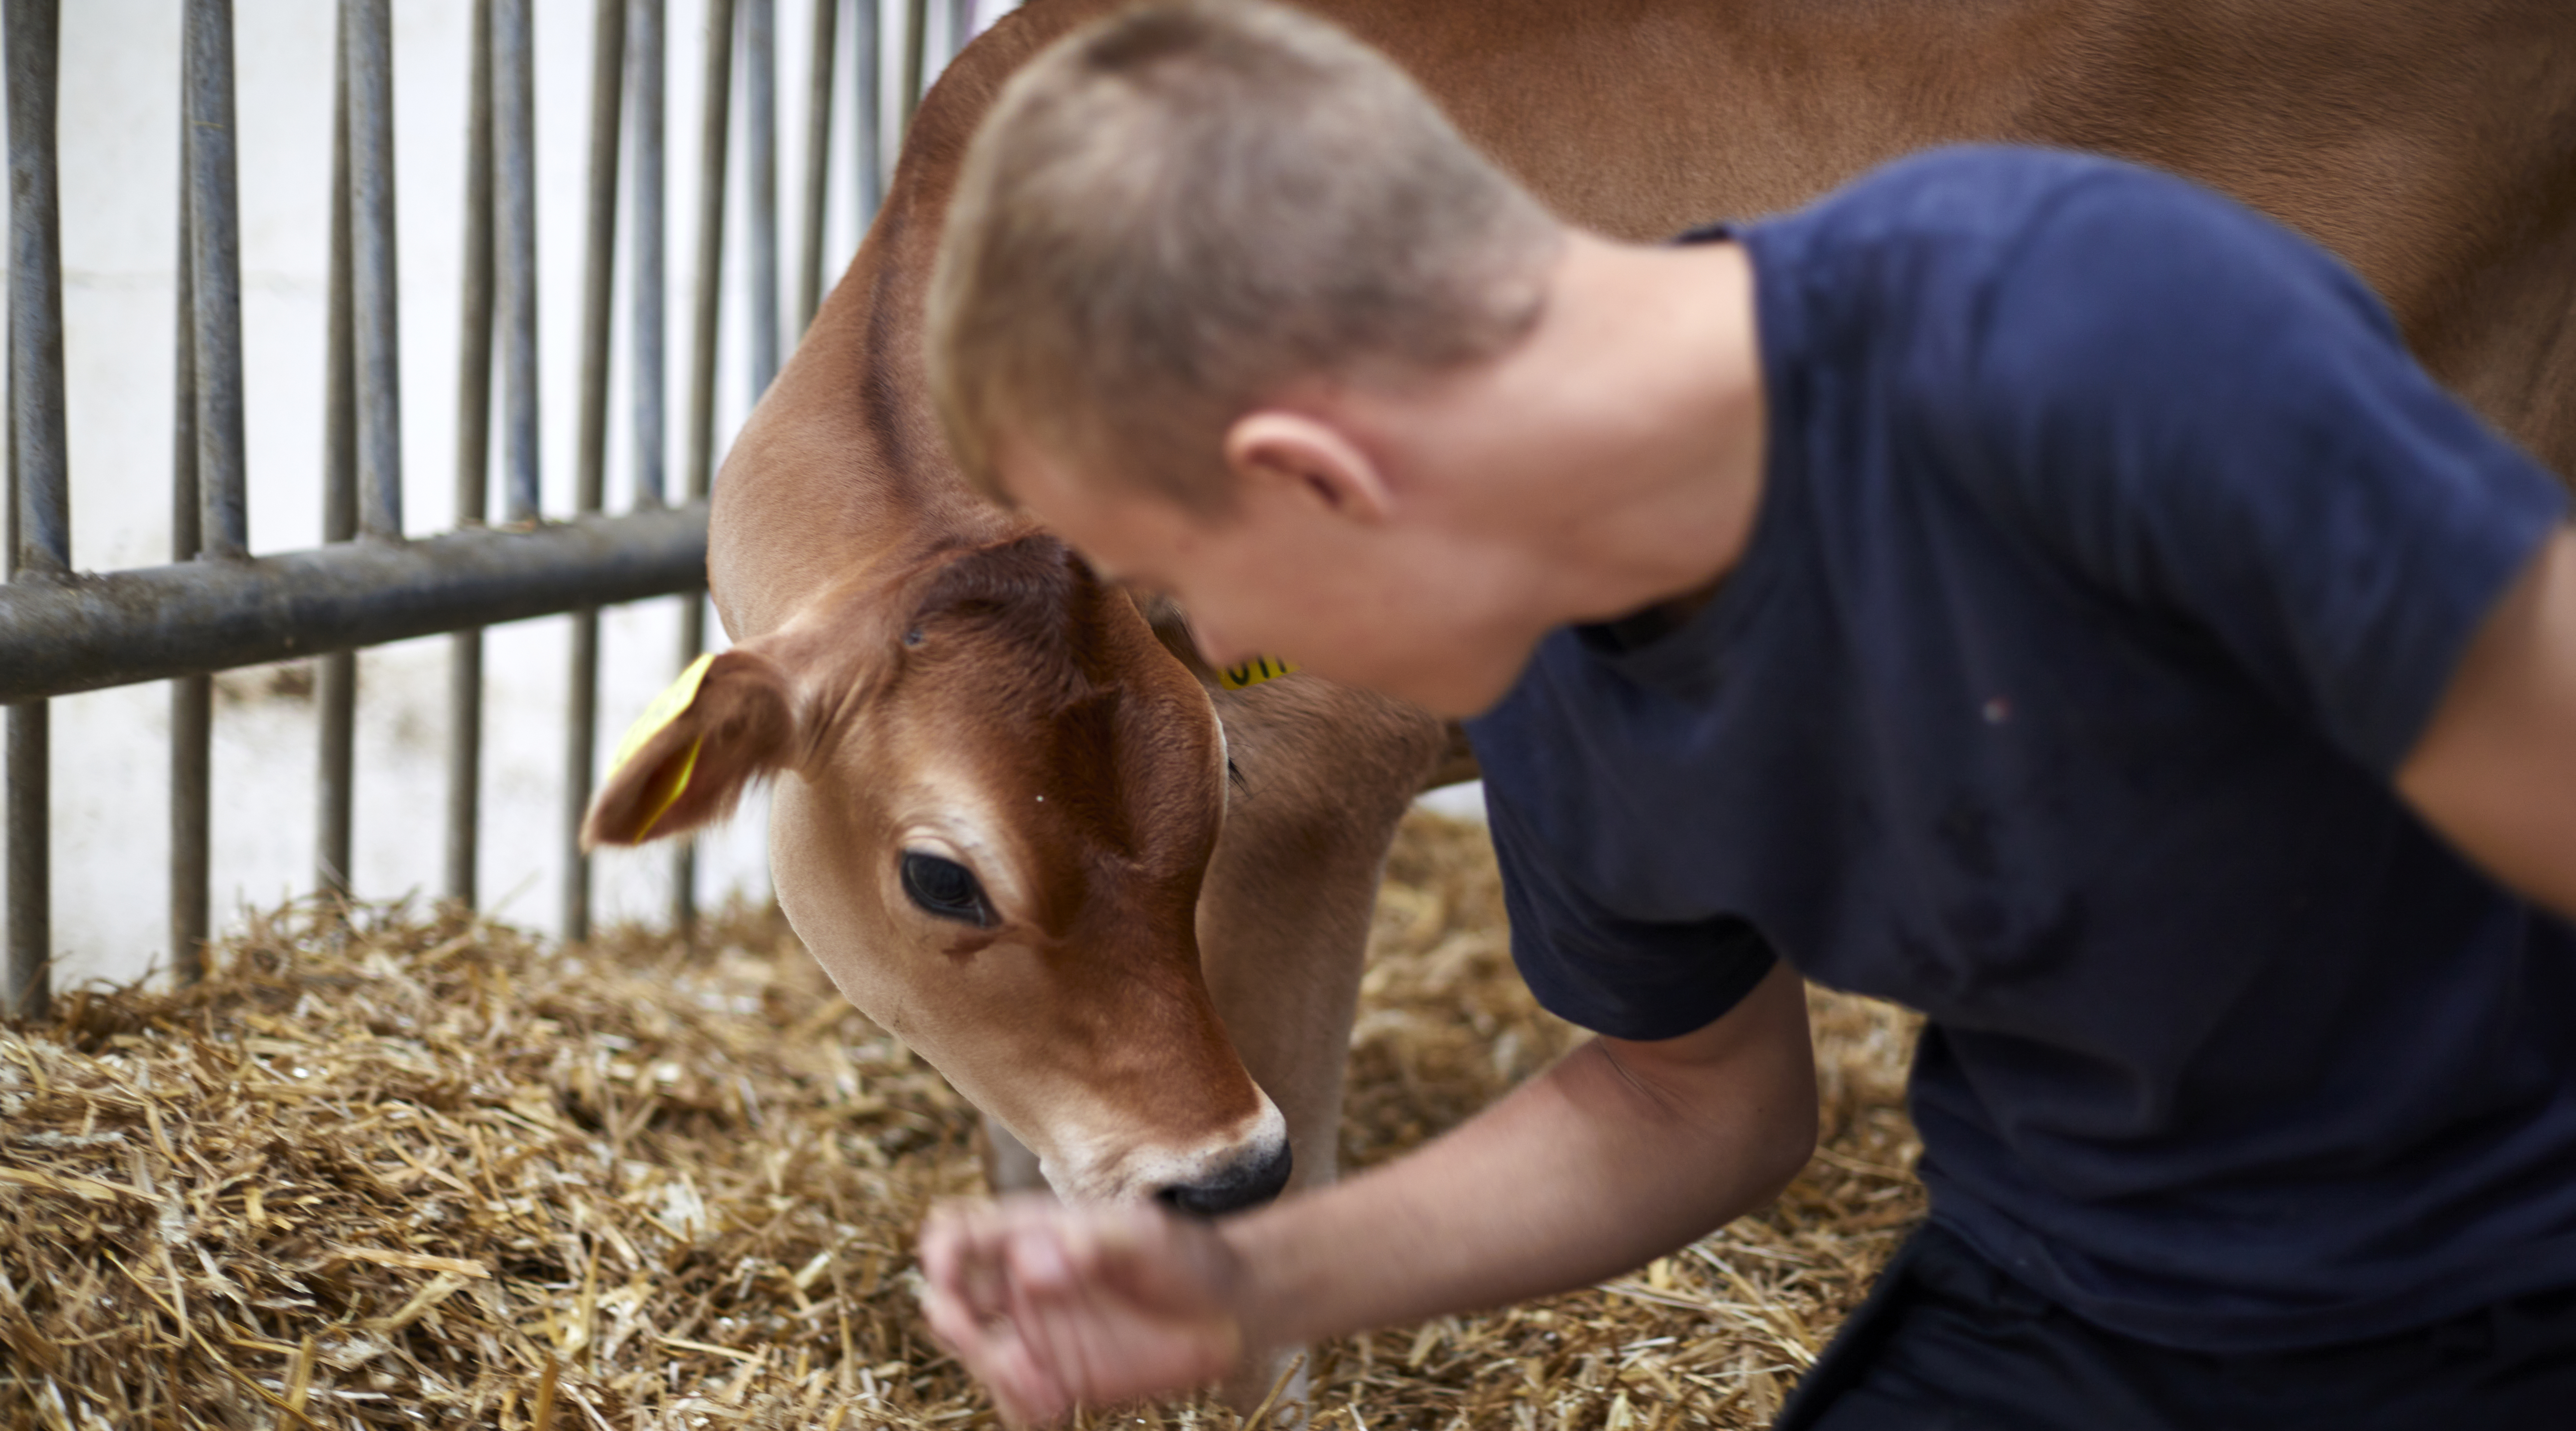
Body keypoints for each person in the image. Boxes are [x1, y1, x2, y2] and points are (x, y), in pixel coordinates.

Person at [912, 2, 2576, 1426]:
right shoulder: (1555, 651)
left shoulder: (2070, 338)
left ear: (1321, 481)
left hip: (2500, 1277)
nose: (1222, 654)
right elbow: (1687, 1097)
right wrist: (1229, 1282)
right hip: (2065, 1298)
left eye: (1183, 597)